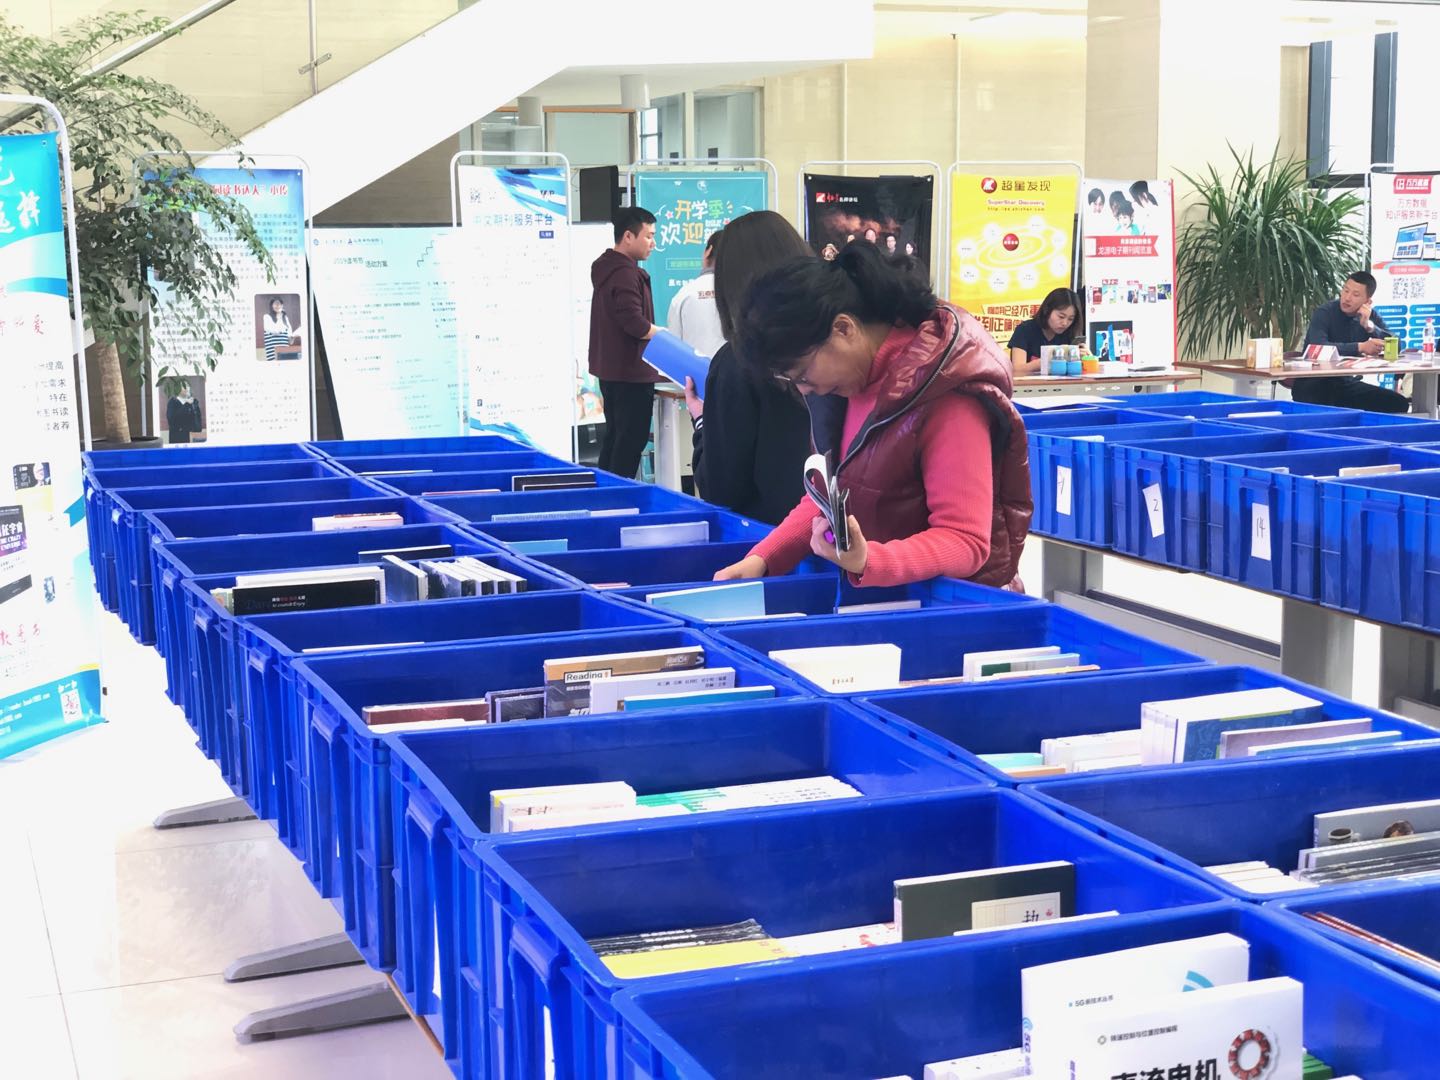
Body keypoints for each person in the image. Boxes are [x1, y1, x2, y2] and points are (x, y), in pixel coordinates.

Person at [713, 243, 1032, 589]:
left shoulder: (946, 394)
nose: (804, 389)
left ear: (844, 329)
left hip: (952, 606)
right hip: (890, 601)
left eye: (803, 373)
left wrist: (869, 560)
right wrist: (762, 559)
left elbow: (965, 541)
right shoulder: (846, 386)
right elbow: (826, 497)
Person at [683, 210, 814, 525]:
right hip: (840, 532)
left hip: (769, 540)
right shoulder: (829, 345)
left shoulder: (738, 362)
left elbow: (721, 488)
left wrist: (702, 422)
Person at [589, 207, 661, 478]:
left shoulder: (608, 269)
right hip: (631, 373)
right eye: (648, 236)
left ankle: (605, 494)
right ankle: (619, 496)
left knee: (616, 439)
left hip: (612, 371)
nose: (653, 243)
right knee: (629, 443)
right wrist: (662, 334)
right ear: (628, 236)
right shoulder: (625, 273)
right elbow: (635, 324)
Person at [1297, 271, 1410, 413]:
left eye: (1355, 295)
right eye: (1345, 290)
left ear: (1367, 301)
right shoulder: (1324, 312)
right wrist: (1360, 347)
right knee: (1330, 405)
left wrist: (1370, 327)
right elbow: (1318, 347)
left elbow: (1396, 345)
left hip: (1346, 385)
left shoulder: (1369, 315)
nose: (1347, 298)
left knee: (1398, 403)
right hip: (1314, 384)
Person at [665, 231, 725, 358]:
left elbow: (673, 345)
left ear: (708, 251)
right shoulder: (743, 294)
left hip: (692, 369)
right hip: (733, 370)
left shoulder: (684, 293)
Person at [1007, 287, 1081, 375]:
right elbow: (1017, 369)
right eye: (1061, 317)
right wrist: (1043, 362)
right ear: (1047, 310)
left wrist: (1086, 358)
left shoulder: (1070, 333)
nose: (1065, 323)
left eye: (1070, 319)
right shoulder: (1025, 330)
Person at [262, 297, 293, 361]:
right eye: (276, 304)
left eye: (280, 304)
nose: (278, 306)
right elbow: (275, 331)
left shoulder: (285, 318)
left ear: (282, 306)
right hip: (273, 353)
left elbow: (290, 341)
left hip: (285, 352)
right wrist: (279, 316)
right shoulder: (267, 317)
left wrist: (292, 338)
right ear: (271, 306)